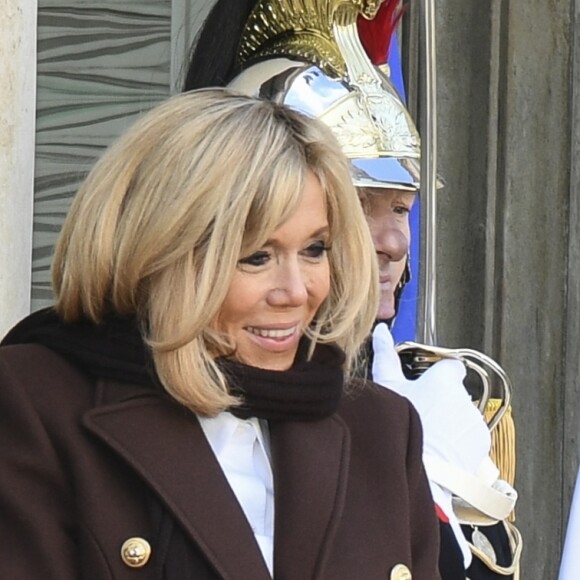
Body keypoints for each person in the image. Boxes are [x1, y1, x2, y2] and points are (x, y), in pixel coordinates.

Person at [0, 89, 441, 578]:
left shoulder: (381, 428)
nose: (296, 292)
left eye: (315, 249)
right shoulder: (32, 401)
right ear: (158, 252)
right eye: (257, 256)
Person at [183, 1, 521, 578]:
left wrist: (449, 509)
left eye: (402, 207)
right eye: (360, 204)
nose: (392, 240)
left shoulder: (440, 398)